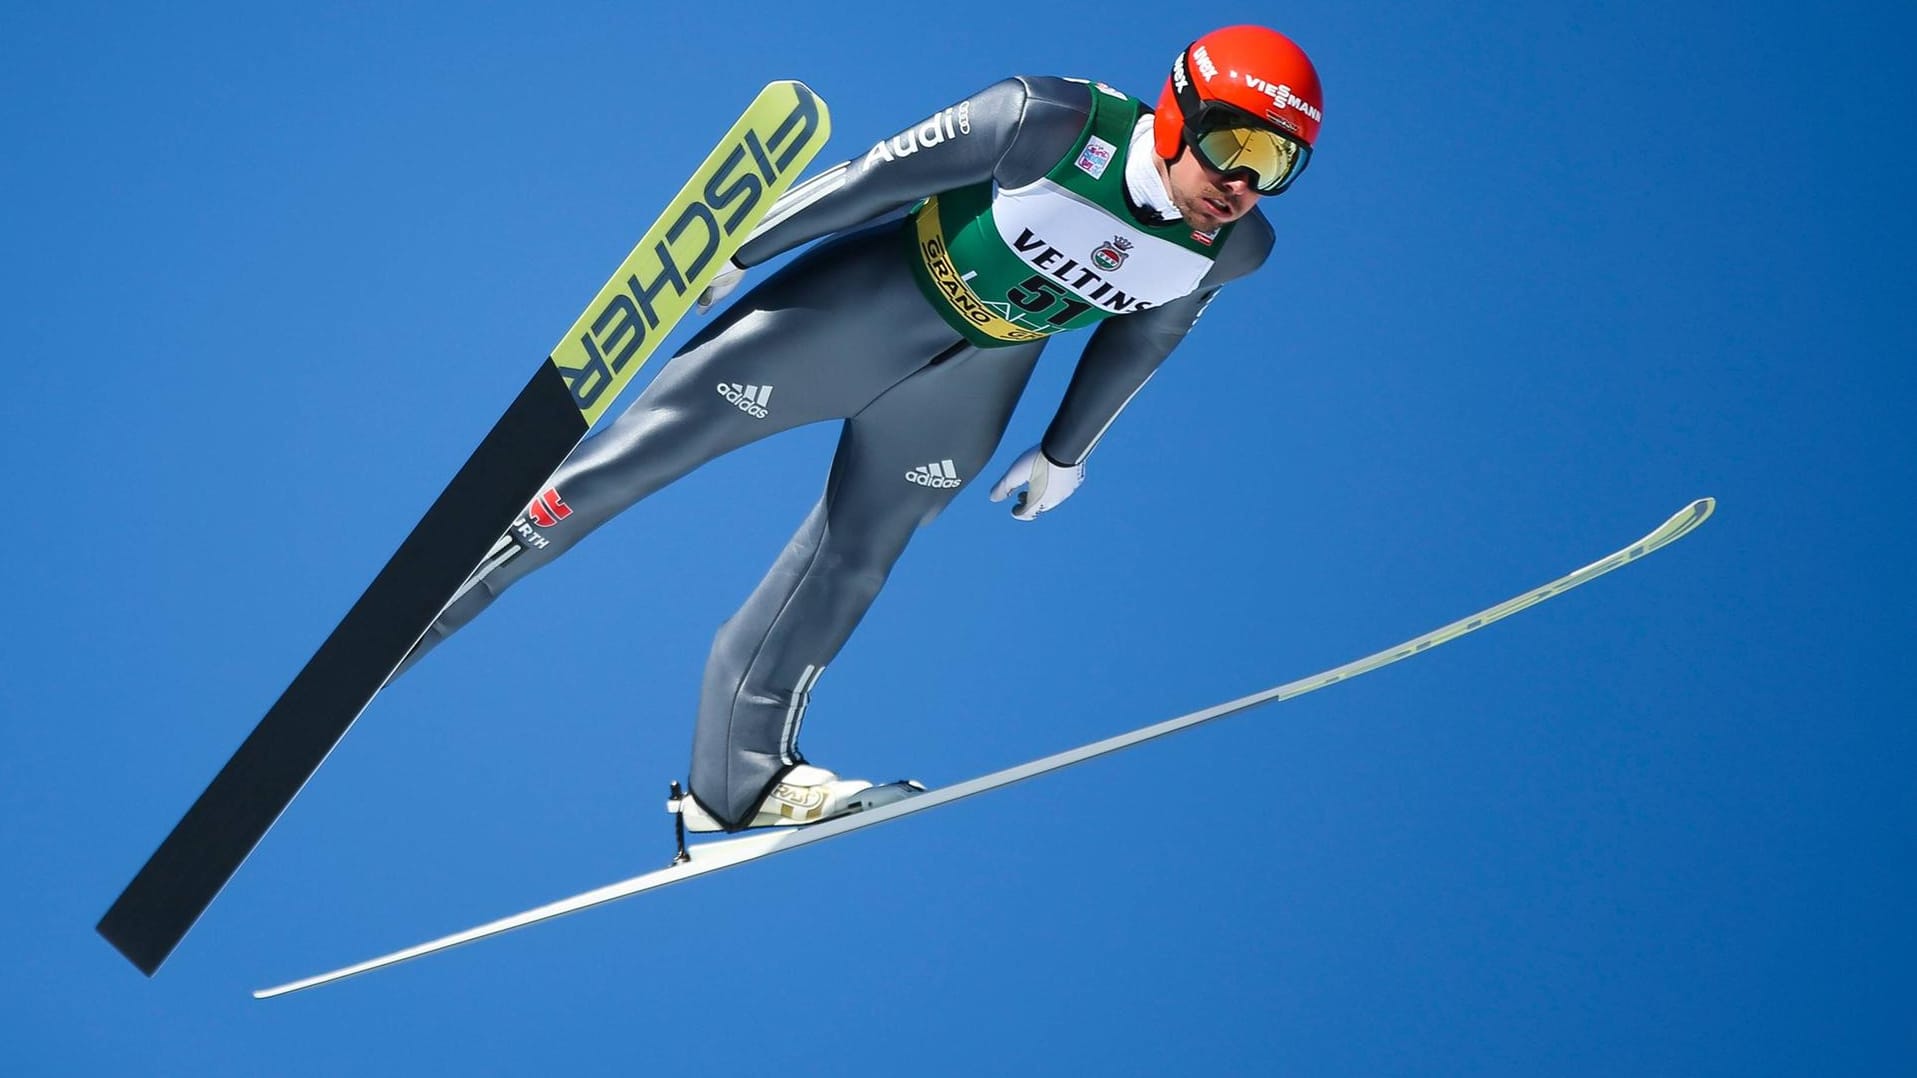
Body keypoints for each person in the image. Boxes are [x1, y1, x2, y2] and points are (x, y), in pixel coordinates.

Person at [400, 25, 1325, 833]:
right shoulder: (1044, 119)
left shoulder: (1235, 249)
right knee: (640, 457)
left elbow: (1146, 337)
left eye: (1276, 165)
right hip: (855, 313)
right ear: (1175, 113)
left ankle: (740, 784)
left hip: (971, 387)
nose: (1243, 182)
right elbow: (876, 180)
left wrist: (1063, 450)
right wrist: (737, 246)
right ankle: (422, 610)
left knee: (851, 563)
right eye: (1230, 142)